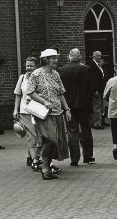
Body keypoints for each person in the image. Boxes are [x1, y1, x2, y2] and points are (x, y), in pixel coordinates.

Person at [27, 49, 71, 180]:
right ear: (46, 59)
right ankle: (44, 166)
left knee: (55, 140)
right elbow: (30, 92)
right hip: (43, 113)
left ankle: (46, 166)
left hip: (57, 112)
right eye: (54, 58)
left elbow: (61, 93)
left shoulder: (56, 74)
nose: (56, 61)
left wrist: (67, 109)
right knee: (50, 138)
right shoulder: (36, 74)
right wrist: (44, 101)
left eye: (56, 58)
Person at [59, 49, 95, 166]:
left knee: (72, 131)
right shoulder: (87, 69)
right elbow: (92, 88)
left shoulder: (62, 71)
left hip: (68, 105)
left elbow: (60, 90)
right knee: (86, 130)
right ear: (80, 57)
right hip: (84, 105)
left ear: (69, 57)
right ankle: (88, 157)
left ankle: (74, 159)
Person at [13, 57, 42, 169]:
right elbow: (18, 94)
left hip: (37, 111)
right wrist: (15, 110)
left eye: (31, 66)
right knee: (34, 136)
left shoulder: (39, 78)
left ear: (36, 66)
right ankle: (36, 161)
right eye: (27, 66)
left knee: (34, 136)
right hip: (24, 111)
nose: (29, 68)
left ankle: (30, 158)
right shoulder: (22, 78)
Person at [89, 51, 110, 129]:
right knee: (96, 107)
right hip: (96, 90)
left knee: (101, 106)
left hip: (101, 89)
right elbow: (92, 79)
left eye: (100, 56)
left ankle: (100, 121)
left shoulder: (99, 66)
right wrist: (95, 90)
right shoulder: (92, 66)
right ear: (93, 56)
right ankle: (96, 124)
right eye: (98, 56)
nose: (99, 57)